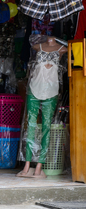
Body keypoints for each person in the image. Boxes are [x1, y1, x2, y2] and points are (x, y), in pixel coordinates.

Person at [17, 37, 66, 179]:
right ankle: (27, 164)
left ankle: (39, 164)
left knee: (46, 128)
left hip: (51, 91)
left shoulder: (63, 49)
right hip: (34, 88)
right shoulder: (37, 46)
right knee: (30, 126)